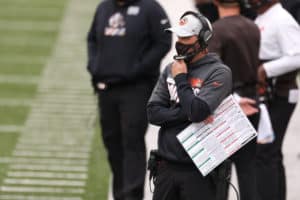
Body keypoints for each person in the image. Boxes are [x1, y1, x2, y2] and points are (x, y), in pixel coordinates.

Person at [86, 0, 171, 199]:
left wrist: (138, 69)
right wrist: (94, 66)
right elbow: (91, 39)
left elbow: (163, 42)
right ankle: (120, 194)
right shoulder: (104, 7)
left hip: (136, 89)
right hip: (106, 88)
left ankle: (133, 196)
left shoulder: (150, 8)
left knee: (132, 141)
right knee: (111, 141)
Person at [147, 11, 232, 200]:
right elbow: (153, 113)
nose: (180, 42)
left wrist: (180, 79)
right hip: (166, 166)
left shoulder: (219, 72)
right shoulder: (171, 68)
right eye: (179, 36)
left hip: (200, 170)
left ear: (203, 39)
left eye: (186, 37)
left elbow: (197, 111)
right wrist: (186, 112)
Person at [208, 0, 260, 199]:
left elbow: (213, 74)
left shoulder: (216, 30)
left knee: (221, 172)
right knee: (248, 170)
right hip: (252, 101)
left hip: (226, 105)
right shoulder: (253, 26)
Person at [248, 0, 300, 200]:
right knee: (271, 153)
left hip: (280, 94)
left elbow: (297, 56)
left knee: (265, 152)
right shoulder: (263, 17)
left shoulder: (281, 19)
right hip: (268, 94)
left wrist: (265, 70)